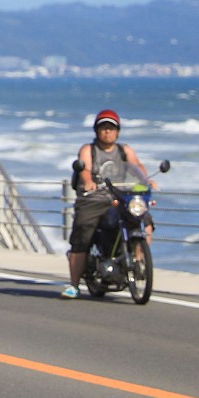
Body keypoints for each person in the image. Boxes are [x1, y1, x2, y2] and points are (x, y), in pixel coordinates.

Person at [62, 109, 151, 299]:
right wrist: (87, 181)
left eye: (111, 128)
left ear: (117, 131)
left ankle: (139, 261)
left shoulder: (124, 150)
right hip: (93, 198)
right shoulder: (89, 149)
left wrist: (147, 181)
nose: (107, 132)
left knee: (145, 219)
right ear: (97, 130)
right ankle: (74, 285)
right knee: (83, 234)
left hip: (120, 196)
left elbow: (137, 166)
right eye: (103, 128)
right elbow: (84, 168)